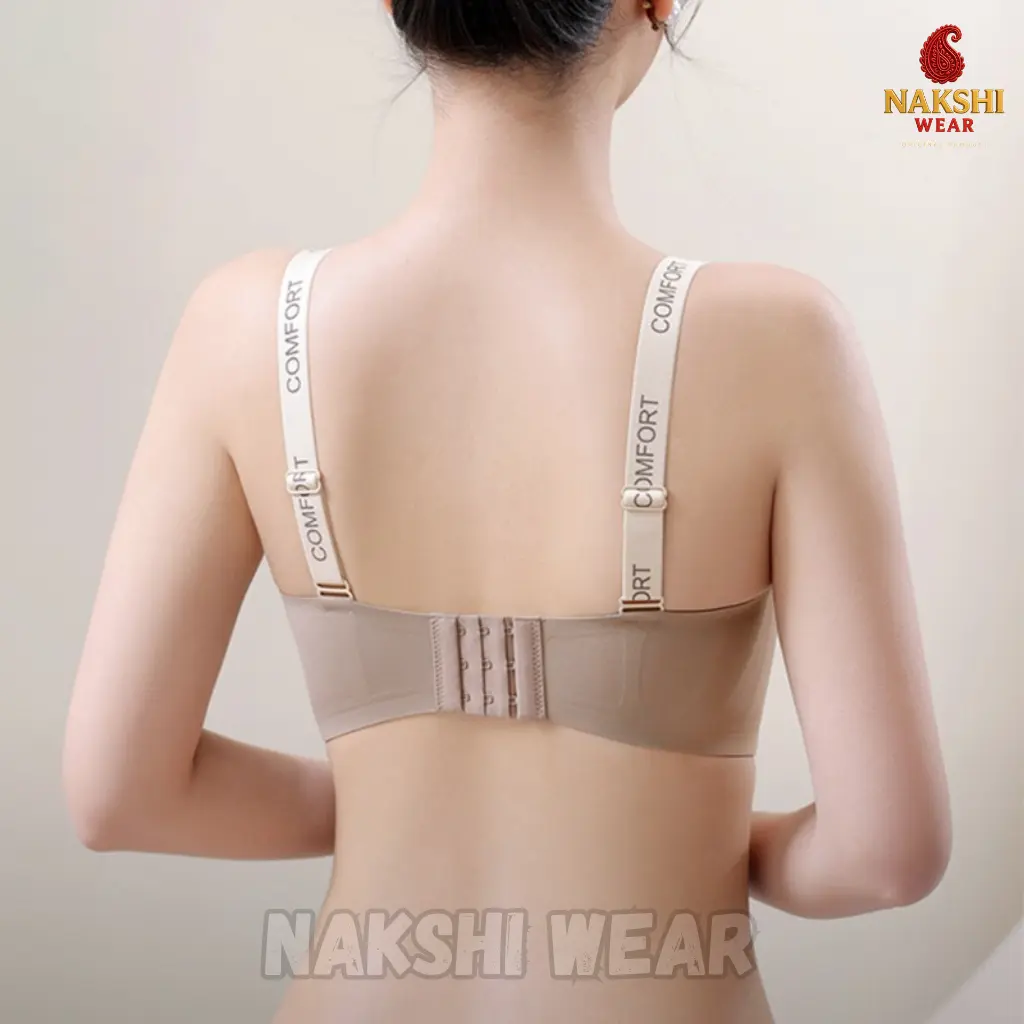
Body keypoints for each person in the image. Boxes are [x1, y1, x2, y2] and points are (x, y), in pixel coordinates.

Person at [61, 0, 952, 1021]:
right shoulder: (779, 340)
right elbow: (885, 854)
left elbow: (119, 793)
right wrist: (709, 841)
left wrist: (379, 799)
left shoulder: (245, 329)